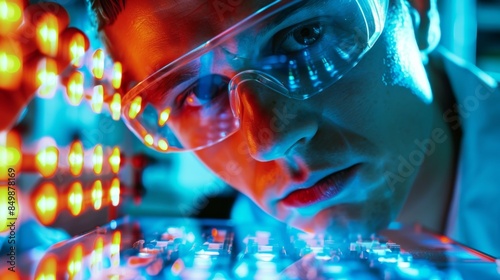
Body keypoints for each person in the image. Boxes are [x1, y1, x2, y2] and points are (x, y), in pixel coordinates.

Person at [3, 0, 499, 258]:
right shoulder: (234, 247)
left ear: (416, 5)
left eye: (305, 35)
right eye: (197, 93)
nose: (270, 139)